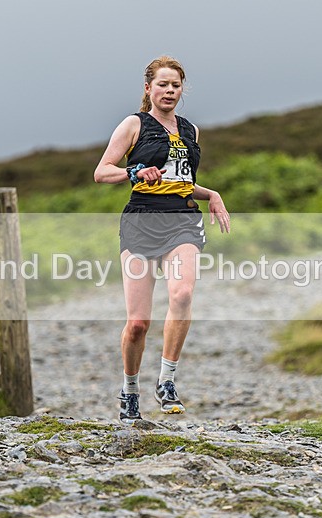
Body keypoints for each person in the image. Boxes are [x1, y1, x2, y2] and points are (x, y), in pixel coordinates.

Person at [94, 55, 231, 424]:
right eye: (162, 85)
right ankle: (130, 390)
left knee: (182, 294)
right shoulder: (133, 124)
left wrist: (211, 194)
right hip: (141, 221)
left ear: (181, 89)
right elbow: (101, 171)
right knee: (138, 323)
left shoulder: (191, 131)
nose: (169, 91)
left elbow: (181, 180)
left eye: (175, 85)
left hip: (183, 219)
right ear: (148, 89)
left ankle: (167, 380)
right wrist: (133, 171)